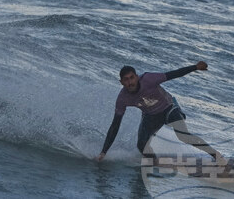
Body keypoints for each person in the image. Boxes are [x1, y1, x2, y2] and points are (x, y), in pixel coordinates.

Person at [95, 62, 224, 164]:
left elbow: (173, 74)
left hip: (169, 107)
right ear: (121, 82)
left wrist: (195, 67)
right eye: (126, 80)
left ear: (137, 77)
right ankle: (155, 163)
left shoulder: (149, 79)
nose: (130, 82)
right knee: (141, 145)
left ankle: (216, 156)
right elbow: (115, 126)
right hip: (150, 116)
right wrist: (103, 152)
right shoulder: (123, 98)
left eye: (132, 78)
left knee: (183, 136)